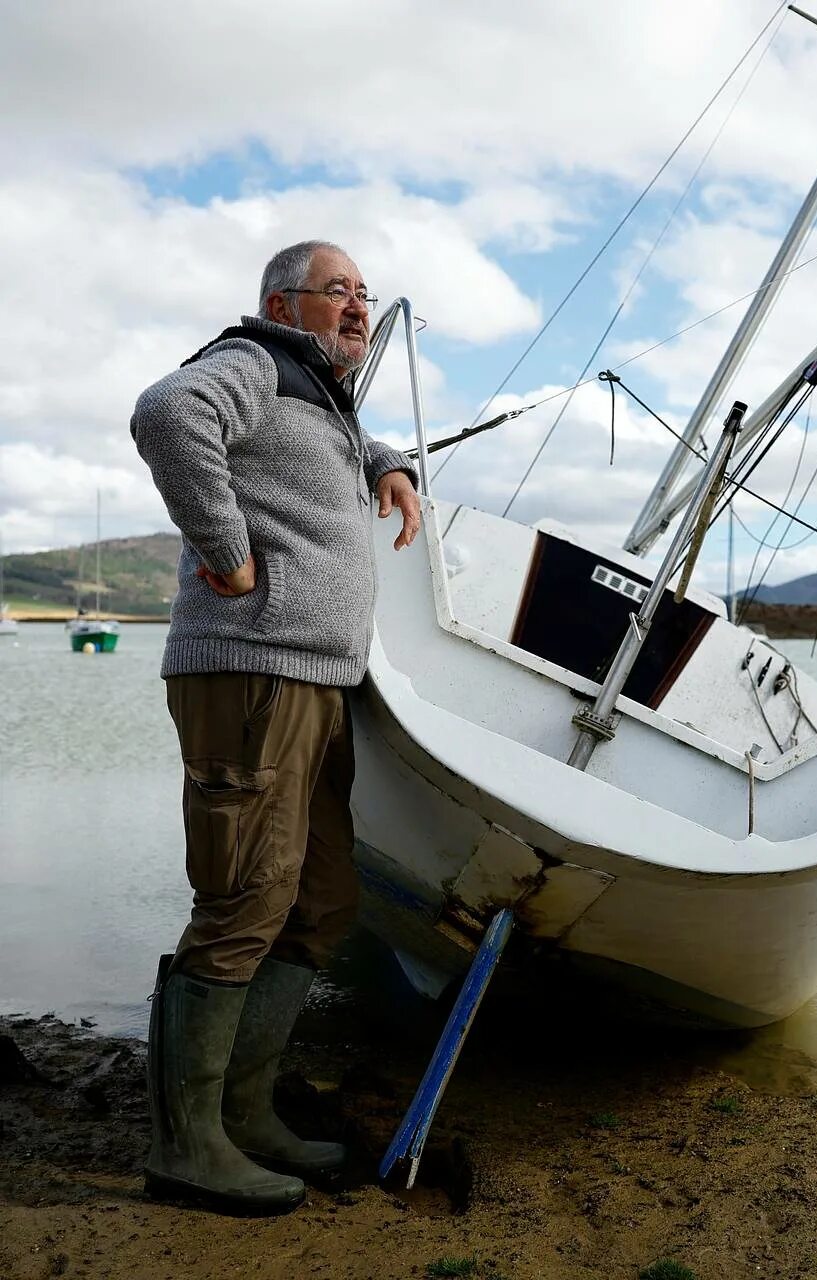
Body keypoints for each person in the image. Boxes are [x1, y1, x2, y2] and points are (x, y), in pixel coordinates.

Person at [130, 240, 421, 1216]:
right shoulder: (252, 359)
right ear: (278, 301)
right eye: (336, 290)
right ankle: (186, 1143)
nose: (356, 306)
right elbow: (170, 414)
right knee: (244, 899)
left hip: (314, 684)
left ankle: (244, 1115)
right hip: (251, 674)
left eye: (363, 294)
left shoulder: (317, 393)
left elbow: (338, 438)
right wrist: (228, 550)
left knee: (317, 903)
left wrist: (387, 464)